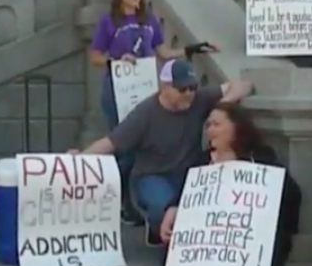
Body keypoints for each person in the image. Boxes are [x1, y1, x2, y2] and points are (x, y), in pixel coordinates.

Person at [159, 102, 301, 266]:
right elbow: (184, 191)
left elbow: (290, 193)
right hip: (212, 237)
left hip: (252, 238)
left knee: (240, 259)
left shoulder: (260, 158)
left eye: (216, 124)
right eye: (207, 125)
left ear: (236, 128)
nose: (210, 130)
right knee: (179, 264)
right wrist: (172, 209)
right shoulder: (203, 161)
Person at [74, 59, 252, 241]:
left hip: (189, 174)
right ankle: (159, 231)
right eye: (182, 89)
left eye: (192, 87)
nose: (189, 94)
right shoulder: (144, 114)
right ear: (165, 87)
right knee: (162, 204)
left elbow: (242, 85)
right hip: (153, 175)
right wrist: (78, 159)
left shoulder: (198, 98)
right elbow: (110, 143)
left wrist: (222, 106)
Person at [89, 0, 184, 225]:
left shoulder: (149, 21)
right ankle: (119, 201)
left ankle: (124, 201)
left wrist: (192, 50)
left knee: (135, 148)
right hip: (116, 89)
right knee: (122, 145)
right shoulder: (109, 21)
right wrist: (115, 60)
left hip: (143, 89)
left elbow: (163, 52)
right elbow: (95, 56)